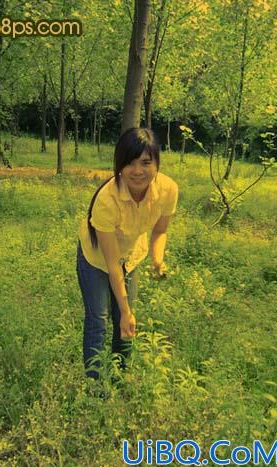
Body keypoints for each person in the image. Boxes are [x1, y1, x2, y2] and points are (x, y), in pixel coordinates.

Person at [76, 127, 178, 380]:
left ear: (157, 163)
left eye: (146, 162)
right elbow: (112, 266)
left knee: (125, 321)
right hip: (98, 259)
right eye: (130, 163)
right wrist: (124, 310)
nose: (138, 171)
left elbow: (160, 231)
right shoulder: (106, 201)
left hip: (131, 256)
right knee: (99, 320)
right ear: (119, 165)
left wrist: (157, 259)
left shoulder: (167, 190)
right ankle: (95, 385)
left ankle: (121, 377)